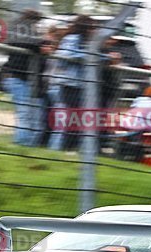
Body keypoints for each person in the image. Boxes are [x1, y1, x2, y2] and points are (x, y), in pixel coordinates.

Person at [50, 15, 95, 151]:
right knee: (67, 120)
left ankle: (69, 149)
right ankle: (59, 150)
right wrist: (88, 56)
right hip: (68, 84)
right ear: (85, 27)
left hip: (80, 86)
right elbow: (65, 56)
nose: (94, 30)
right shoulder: (72, 39)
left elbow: (94, 55)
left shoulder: (87, 42)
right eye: (92, 27)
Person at [1, 10, 44, 147]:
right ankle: (21, 143)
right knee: (24, 112)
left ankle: (25, 142)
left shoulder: (18, 30)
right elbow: (29, 44)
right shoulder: (23, 32)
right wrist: (41, 46)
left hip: (20, 77)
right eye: (37, 22)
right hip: (18, 77)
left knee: (26, 112)